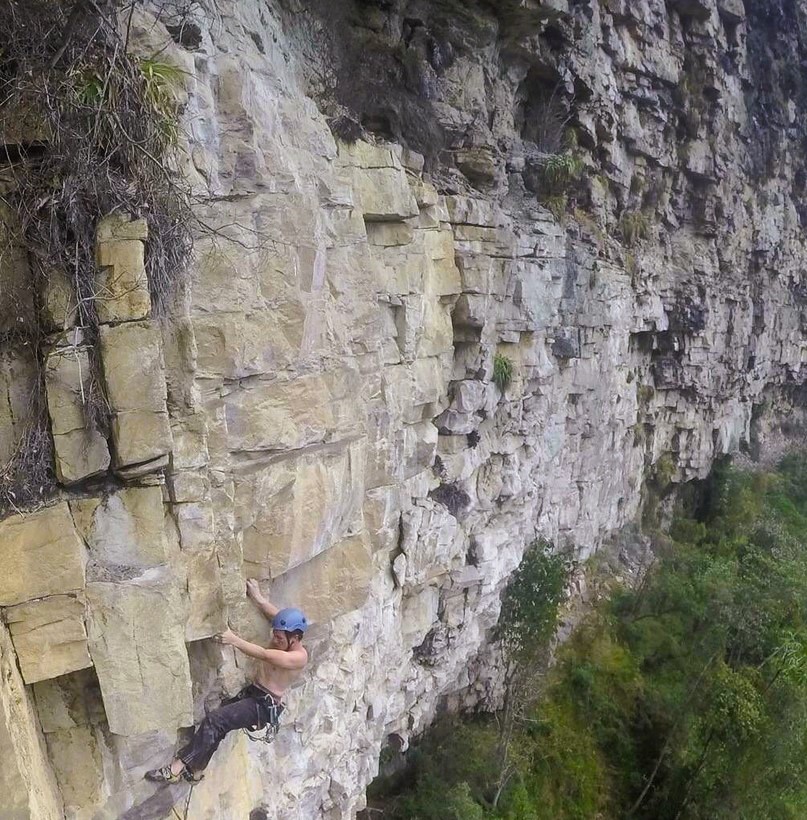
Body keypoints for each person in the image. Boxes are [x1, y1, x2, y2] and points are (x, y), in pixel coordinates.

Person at [145, 579, 309, 784]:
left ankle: (175, 769)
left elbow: (265, 654)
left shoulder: (298, 657)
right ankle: (195, 770)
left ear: (294, 638)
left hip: (263, 705)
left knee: (215, 721)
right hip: (254, 693)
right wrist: (257, 597)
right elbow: (273, 614)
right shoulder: (285, 631)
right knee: (217, 726)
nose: (275, 640)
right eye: (274, 635)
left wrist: (234, 640)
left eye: (279, 638)